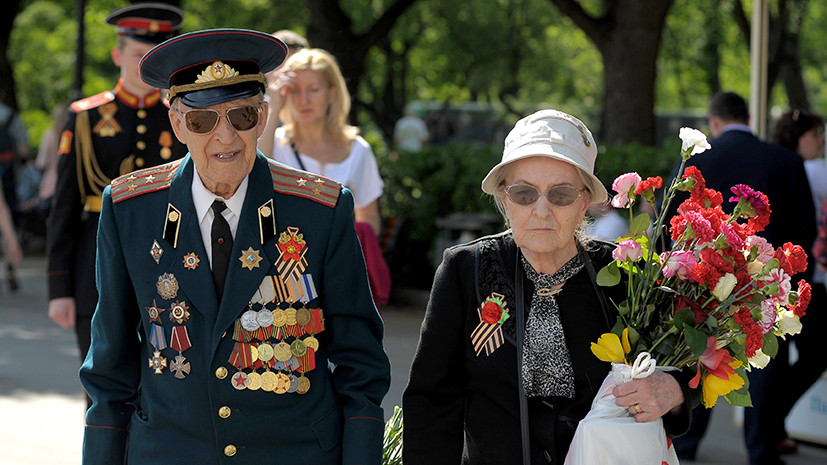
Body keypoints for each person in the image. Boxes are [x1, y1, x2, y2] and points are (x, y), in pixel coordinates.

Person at [79, 28, 391, 465]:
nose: (225, 137)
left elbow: (362, 368)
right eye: (203, 121)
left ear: (263, 118)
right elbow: (109, 371)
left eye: (241, 116)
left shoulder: (320, 209)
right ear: (177, 123)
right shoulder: (131, 208)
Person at [402, 109, 694, 465]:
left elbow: (682, 366)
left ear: (585, 202)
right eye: (524, 194)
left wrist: (674, 390)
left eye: (561, 194)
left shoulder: (625, 275)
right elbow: (432, 402)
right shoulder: (466, 270)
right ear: (505, 201)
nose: (541, 211)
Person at [667, 92, 816, 465]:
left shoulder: (699, 158)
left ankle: (685, 445)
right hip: (764, 283)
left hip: (701, 280)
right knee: (765, 364)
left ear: (713, 120)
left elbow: (671, 218)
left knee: (698, 355)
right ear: (749, 117)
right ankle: (761, 450)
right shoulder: (786, 161)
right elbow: (805, 229)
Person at [46, 3, 188, 374]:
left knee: (164, 372)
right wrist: (59, 287)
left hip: (166, 253)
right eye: (138, 55)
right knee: (100, 376)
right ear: (117, 54)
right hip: (95, 257)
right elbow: (64, 206)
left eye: (153, 57)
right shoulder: (86, 118)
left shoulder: (181, 115)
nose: (145, 66)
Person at [262, 47, 390, 305]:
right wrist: (272, 104)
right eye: (294, 91)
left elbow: (370, 219)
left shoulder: (358, 150)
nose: (303, 100)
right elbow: (254, 172)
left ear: (332, 92)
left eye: (314, 89)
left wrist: (348, 236)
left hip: (339, 278)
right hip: (283, 279)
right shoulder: (275, 144)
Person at [769, 109, 827, 455]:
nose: (820, 140)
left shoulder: (781, 169)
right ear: (796, 137)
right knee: (817, 352)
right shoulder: (813, 170)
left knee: (784, 359)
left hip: (780, 280)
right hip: (807, 284)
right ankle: (771, 421)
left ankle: (771, 424)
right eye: (815, 134)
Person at [0, 93, 29, 292]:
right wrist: (12, 240)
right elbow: (24, 150)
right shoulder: (9, 116)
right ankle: (9, 264)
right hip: (8, 178)